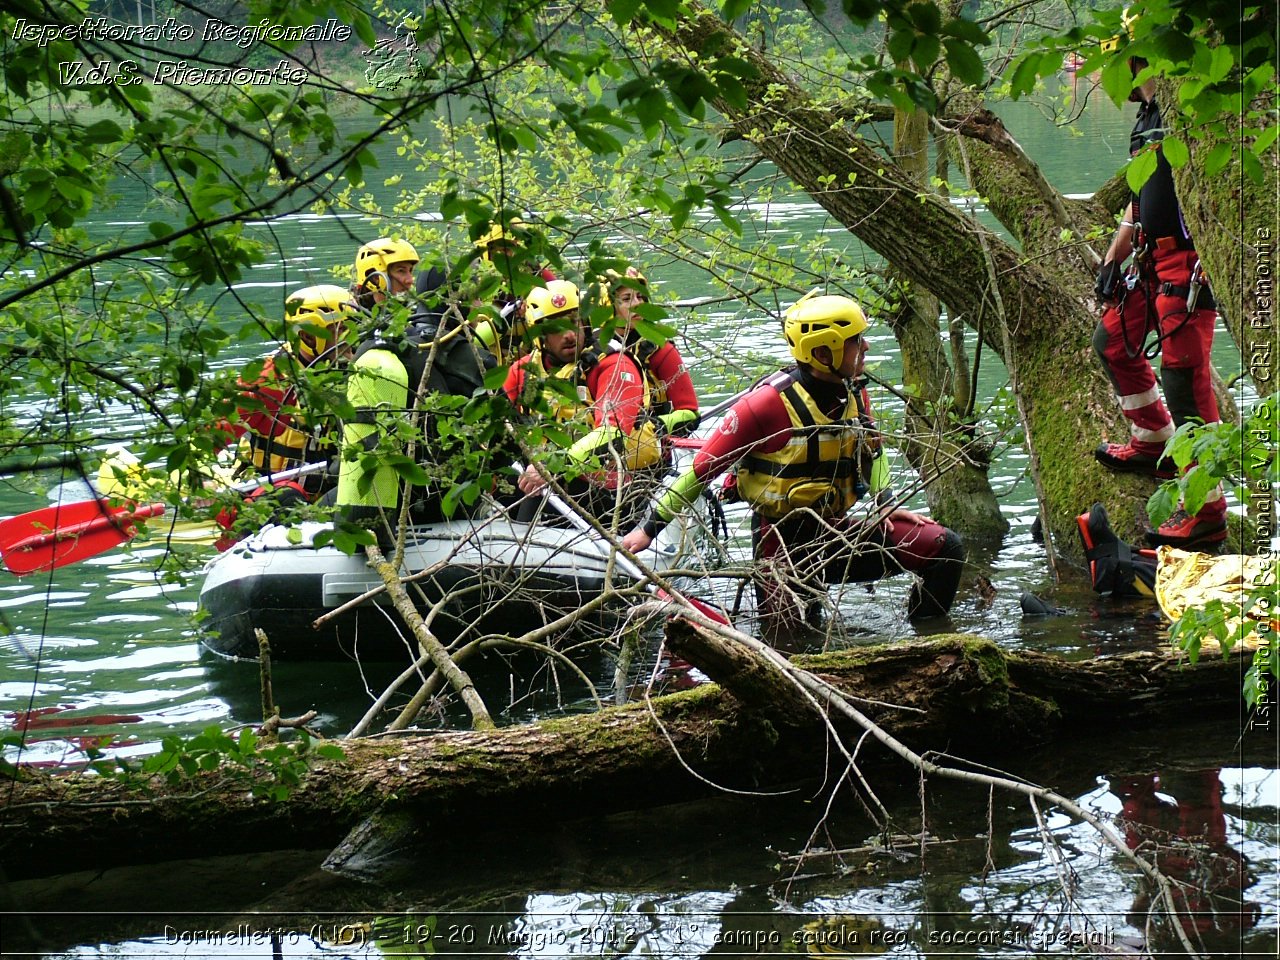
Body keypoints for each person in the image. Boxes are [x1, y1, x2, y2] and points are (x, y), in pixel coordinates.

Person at [620, 292, 965, 634]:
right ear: (822, 351)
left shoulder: (854, 391)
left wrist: (886, 503)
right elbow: (699, 472)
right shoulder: (766, 404)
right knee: (790, 644)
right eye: (855, 341)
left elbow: (872, 450)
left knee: (945, 548)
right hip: (781, 547)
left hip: (836, 534)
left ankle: (927, 641)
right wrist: (647, 530)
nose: (866, 347)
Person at [1091, 28, 1225, 549]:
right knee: (1111, 342)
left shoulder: (1183, 110)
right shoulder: (1146, 119)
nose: (1105, 79)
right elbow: (1138, 197)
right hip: (1150, 258)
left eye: (1113, 64)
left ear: (1135, 59)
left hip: (1190, 263)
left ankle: (1208, 509)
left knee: (1184, 383)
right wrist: (1113, 256)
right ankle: (1152, 441)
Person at [505, 279, 663, 525]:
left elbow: (613, 432)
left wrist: (553, 465)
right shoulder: (523, 372)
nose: (568, 335)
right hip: (551, 477)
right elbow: (500, 424)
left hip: (612, 484)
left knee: (537, 498)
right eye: (556, 328)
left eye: (574, 323)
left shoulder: (611, 364)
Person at [215, 284, 356, 544]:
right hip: (269, 490)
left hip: (323, 493)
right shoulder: (269, 380)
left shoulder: (352, 372)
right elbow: (211, 435)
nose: (352, 339)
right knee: (287, 496)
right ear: (309, 336)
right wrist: (199, 481)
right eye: (341, 330)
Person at [593, 266, 700, 441]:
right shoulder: (591, 351)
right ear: (607, 306)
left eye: (640, 297)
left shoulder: (660, 349)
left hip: (654, 458)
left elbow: (690, 414)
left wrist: (654, 427)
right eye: (627, 299)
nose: (637, 304)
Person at [352, 237, 420, 310]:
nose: (410, 280)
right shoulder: (350, 313)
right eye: (401, 271)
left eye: (410, 271)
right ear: (375, 277)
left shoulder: (416, 308)